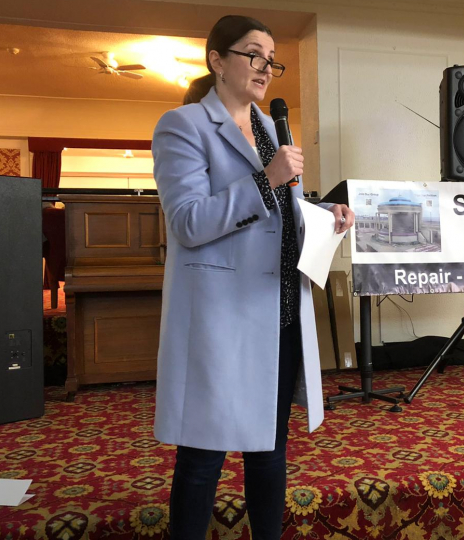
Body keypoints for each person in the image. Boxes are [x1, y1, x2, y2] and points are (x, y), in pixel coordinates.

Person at [150, 14, 355, 540]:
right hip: (221, 314)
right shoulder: (183, 125)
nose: (266, 67)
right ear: (217, 61)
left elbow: (278, 211)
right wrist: (268, 180)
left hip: (278, 307)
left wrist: (320, 210)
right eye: (253, 54)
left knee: (269, 445)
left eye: (271, 59)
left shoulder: (269, 129)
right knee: (204, 452)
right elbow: (188, 222)